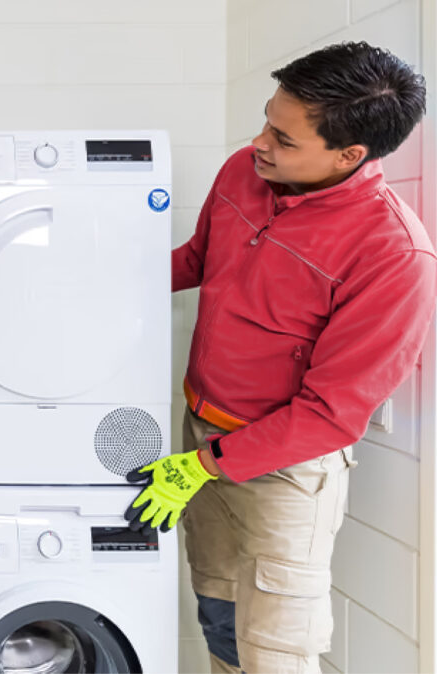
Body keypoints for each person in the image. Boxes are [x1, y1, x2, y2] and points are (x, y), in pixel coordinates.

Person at [124, 41, 436, 673]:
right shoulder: (247, 169)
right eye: (268, 120)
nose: (261, 143)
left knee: (276, 653)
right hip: (201, 437)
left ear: (350, 155)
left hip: (286, 474)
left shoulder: (393, 256)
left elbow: (331, 414)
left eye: (285, 139)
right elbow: (197, 261)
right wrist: (98, 277)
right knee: (219, 621)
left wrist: (206, 466)